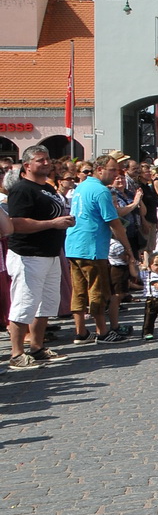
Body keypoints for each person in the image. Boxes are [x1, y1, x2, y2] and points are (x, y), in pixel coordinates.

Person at [6, 145, 71, 369]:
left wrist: (64, 221)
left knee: (46, 304)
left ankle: (37, 347)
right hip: (28, 254)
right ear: (27, 165)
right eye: (40, 160)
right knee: (24, 303)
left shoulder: (48, 188)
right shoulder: (22, 190)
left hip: (50, 253)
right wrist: (53, 223)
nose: (46, 163)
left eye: (47, 159)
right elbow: (16, 223)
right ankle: (16, 354)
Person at [67, 159, 136, 345]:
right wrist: (128, 249)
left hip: (74, 244)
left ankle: (81, 332)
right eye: (112, 170)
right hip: (92, 246)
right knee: (98, 290)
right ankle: (102, 332)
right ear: (99, 169)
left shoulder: (81, 186)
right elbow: (114, 222)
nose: (116, 174)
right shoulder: (101, 190)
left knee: (79, 291)